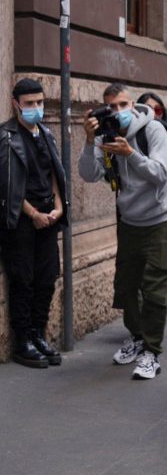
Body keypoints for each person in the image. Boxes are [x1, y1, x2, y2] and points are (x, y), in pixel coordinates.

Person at [79, 83, 167, 380]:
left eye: (123, 105)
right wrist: (88, 139)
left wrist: (130, 153)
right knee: (126, 286)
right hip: (130, 221)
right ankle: (137, 337)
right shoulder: (106, 133)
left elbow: (161, 174)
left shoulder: (153, 131)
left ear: (132, 105)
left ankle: (152, 351)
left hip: (161, 218)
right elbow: (88, 173)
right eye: (112, 107)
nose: (118, 112)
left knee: (154, 288)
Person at [0, 79, 67, 367]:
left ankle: (39, 333)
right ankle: (23, 340)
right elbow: (6, 185)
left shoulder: (46, 134)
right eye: (30, 104)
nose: (36, 108)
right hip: (21, 220)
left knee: (48, 276)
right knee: (23, 279)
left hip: (49, 216)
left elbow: (54, 172)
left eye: (40, 102)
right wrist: (32, 213)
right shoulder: (7, 137)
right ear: (16, 103)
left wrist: (59, 207)